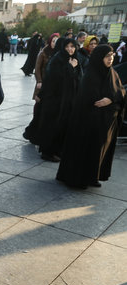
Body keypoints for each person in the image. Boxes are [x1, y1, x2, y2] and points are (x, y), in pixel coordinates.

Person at [56, 45, 126, 188]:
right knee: (86, 150)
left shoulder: (112, 74)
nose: (111, 58)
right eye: (107, 56)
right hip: (89, 122)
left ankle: (92, 177)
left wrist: (111, 99)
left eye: (112, 55)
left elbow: (121, 92)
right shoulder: (90, 75)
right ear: (99, 58)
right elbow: (90, 99)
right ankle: (79, 179)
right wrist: (106, 100)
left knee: (99, 151)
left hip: (106, 122)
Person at [36, 38, 82, 162]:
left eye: (72, 46)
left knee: (63, 126)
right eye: (67, 46)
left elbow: (78, 78)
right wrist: (70, 67)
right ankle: (48, 152)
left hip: (68, 99)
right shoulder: (57, 60)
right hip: (55, 100)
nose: (70, 49)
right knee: (53, 125)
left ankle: (58, 150)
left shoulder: (75, 59)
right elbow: (56, 80)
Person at [23, 33, 60, 143]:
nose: (54, 44)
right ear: (49, 41)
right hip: (42, 84)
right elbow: (37, 68)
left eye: (56, 42)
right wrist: (39, 81)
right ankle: (31, 132)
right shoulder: (43, 52)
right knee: (39, 107)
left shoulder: (59, 53)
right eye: (53, 41)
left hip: (53, 86)